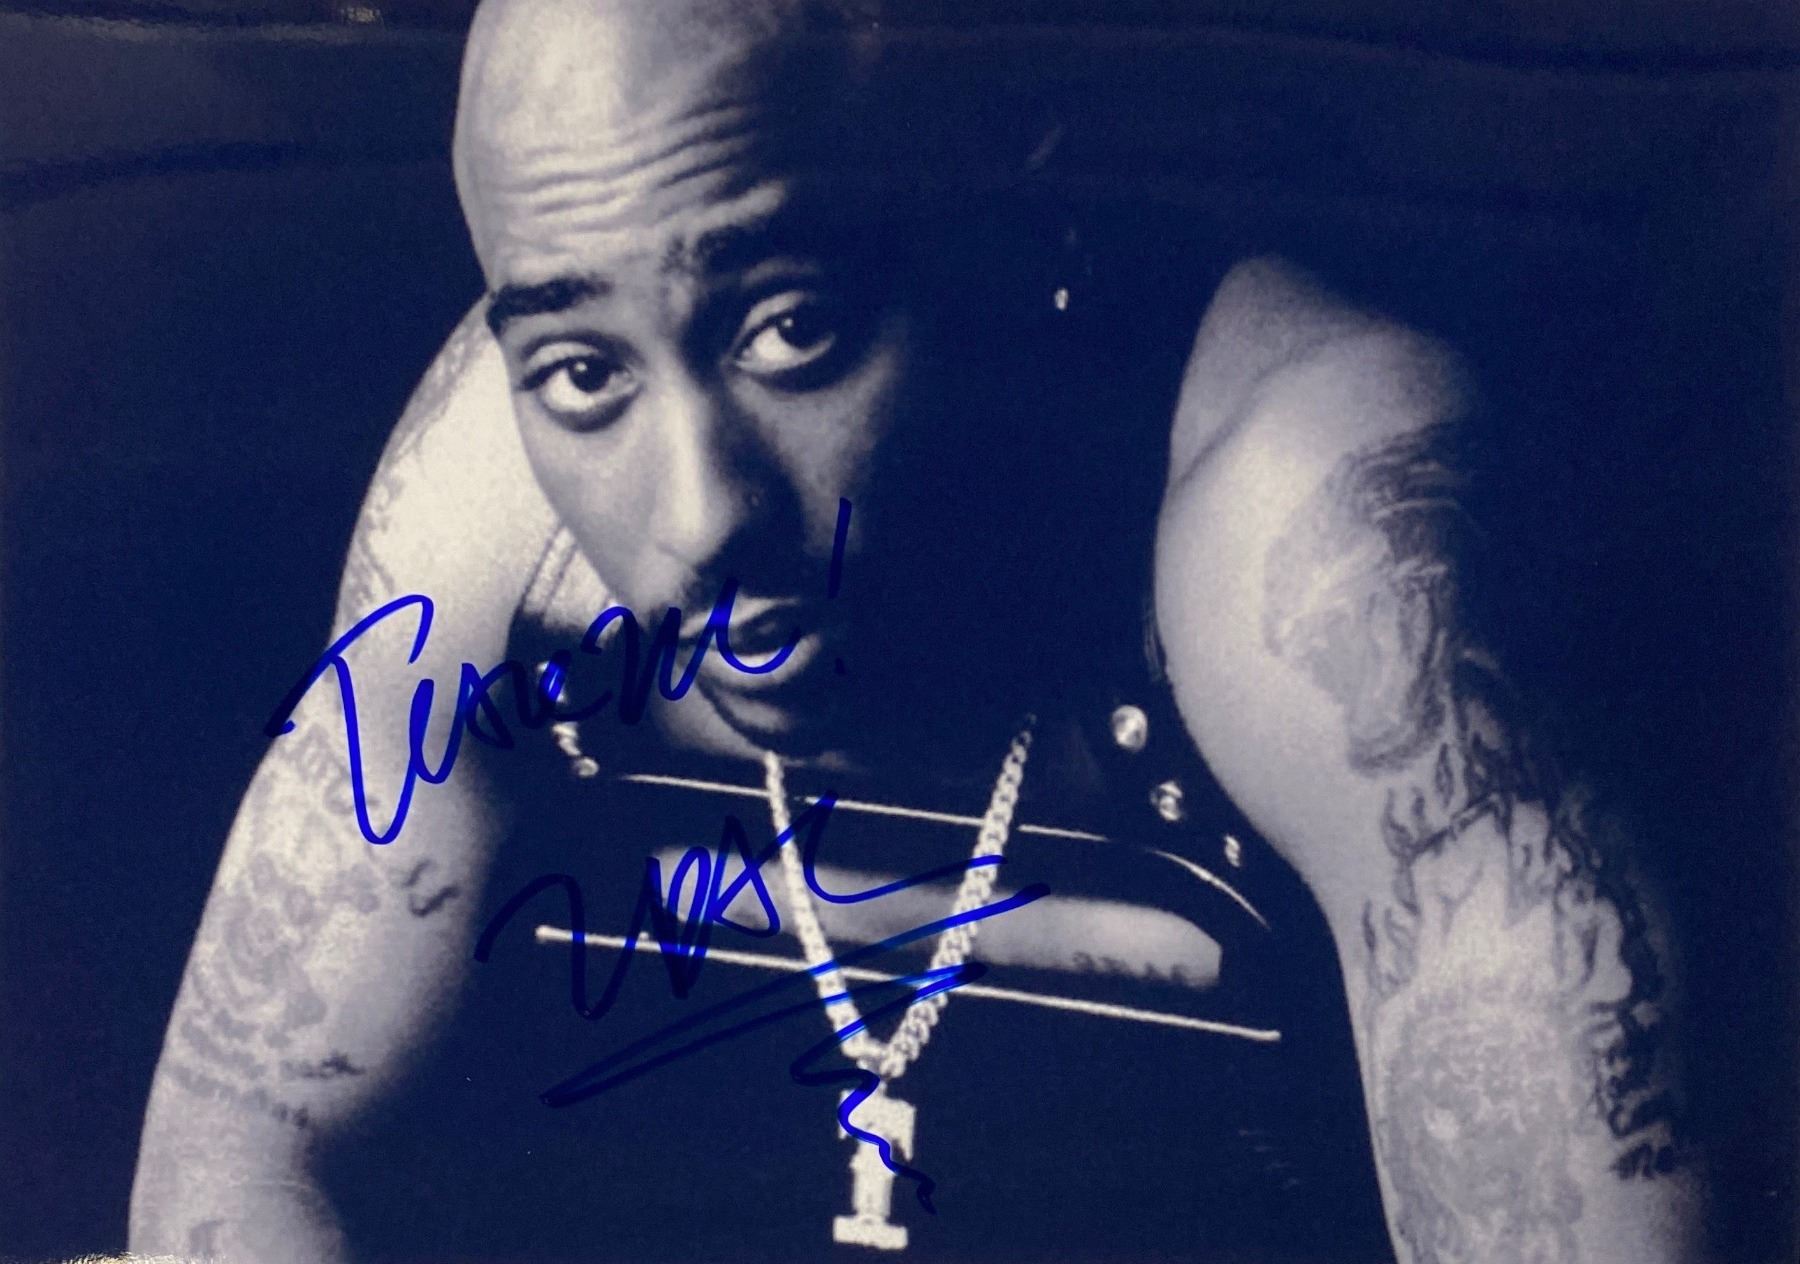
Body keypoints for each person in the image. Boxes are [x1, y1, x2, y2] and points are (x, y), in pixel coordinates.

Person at [127, 1, 1714, 1261]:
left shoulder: (1319, 539)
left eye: (791, 327)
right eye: (583, 371)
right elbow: (237, 1149)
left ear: (1006, 227)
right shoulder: (491, 483)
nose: (699, 515)